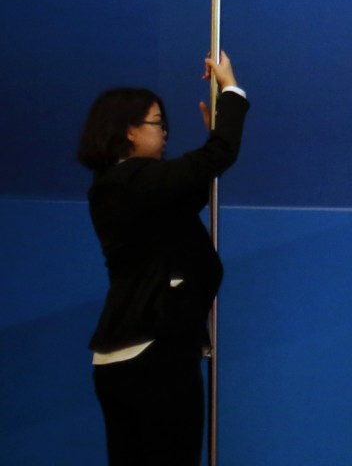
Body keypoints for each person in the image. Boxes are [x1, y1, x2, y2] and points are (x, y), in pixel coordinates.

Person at [76, 52, 249, 466]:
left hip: (126, 358)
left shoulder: (122, 187)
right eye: (157, 122)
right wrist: (231, 91)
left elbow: (191, 188)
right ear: (129, 131)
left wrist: (217, 137)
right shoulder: (130, 179)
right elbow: (212, 161)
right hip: (154, 355)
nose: (166, 131)